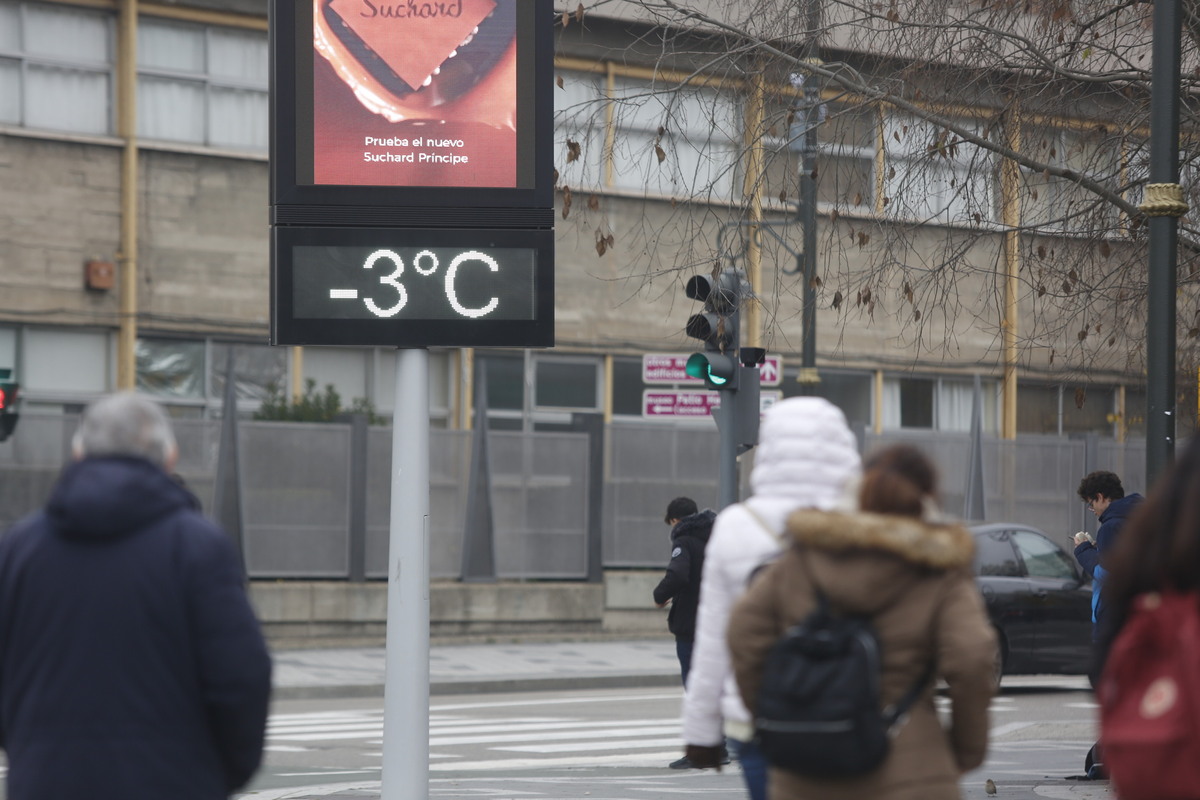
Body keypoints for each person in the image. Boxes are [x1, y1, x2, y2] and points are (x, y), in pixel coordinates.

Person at [0, 392, 273, 800]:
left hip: (45, 782)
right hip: (173, 782)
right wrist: (222, 773)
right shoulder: (197, 547)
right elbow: (241, 677)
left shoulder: (19, 549)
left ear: (78, 454)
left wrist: (31, 753)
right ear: (170, 457)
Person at [726, 443, 997, 800]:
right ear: (929, 496)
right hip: (911, 767)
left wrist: (775, 711)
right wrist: (966, 750)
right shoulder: (939, 569)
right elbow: (973, 656)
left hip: (805, 771)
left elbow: (743, 632)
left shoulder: (803, 558)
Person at [680, 397, 862, 799]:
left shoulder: (735, 527)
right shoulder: (864, 525)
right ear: (842, 449)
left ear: (770, 449)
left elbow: (713, 639)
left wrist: (701, 732)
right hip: (850, 714)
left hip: (760, 718)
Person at [652, 496, 717, 687]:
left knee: (693, 682)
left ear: (675, 520)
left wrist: (659, 596)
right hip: (715, 621)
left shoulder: (684, 541)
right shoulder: (716, 537)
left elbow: (678, 574)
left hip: (690, 623)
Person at [1072, 470, 1143, 642]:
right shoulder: (1141, 517)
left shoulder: (1110, 527)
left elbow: (1107, 574)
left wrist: (1083, 549)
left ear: (1100, 497)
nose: (1093, 510)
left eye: (1091, 504)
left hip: (1115, 620)